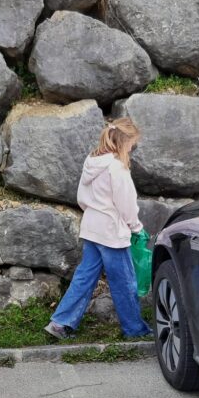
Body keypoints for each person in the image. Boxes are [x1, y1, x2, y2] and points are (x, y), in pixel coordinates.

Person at [42, 118, 152, 340]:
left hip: (91, 227)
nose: (132, 148)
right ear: (124, 141)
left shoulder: (91, 160)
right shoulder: (117, 167)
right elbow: (126, 204)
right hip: (111, 232)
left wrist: (94, 211)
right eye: (132, 144)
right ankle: (134, 329)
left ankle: (60, 323)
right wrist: (136, 227)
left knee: (84, 277)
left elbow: (81, 197)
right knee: (124, 282)